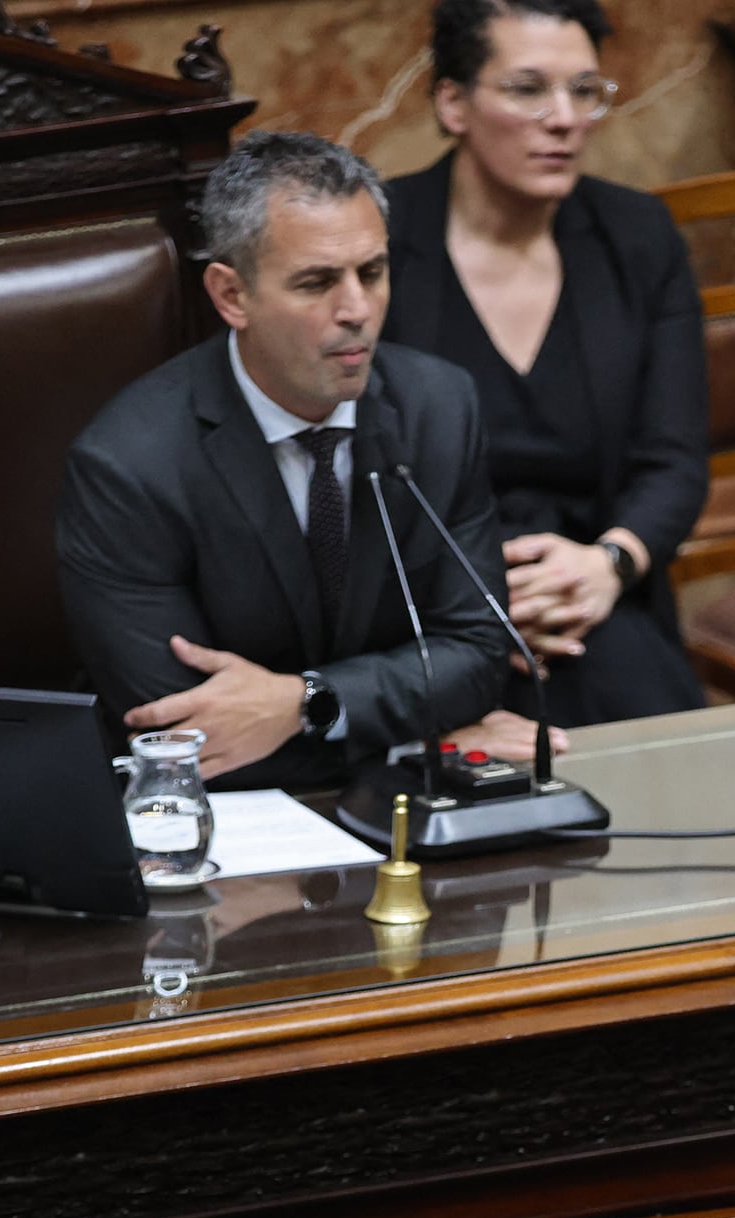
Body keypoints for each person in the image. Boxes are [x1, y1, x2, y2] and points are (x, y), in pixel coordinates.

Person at [57, 132, 560, 788]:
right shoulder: (129, 465)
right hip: (213, 823)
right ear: (232, 296)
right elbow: (184, 737)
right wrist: (412, 742)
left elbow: (477, 654)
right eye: (316, 282)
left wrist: (309, 703)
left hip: (403, 813)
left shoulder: (438, 409)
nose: (355, 311)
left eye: (371, 273)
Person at [384, 0, 711, 725]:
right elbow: (345, 467)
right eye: (528, 89)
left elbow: (676, 457)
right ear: (453, 103)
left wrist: (609, 563)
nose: (564, 118)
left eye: (585, 90)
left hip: (591, 597)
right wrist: (477, 601)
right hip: (423, 609)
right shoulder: (378, 243)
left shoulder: (637, 236)